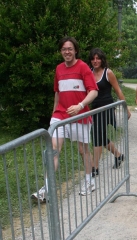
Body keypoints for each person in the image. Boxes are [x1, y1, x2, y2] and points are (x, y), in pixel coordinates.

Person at [31, 36, 98, 201]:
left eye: (70, 49)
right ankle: (47, 189)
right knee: (53, 150)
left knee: (83, 151)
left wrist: (80, 105)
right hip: (60, 116)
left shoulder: (83, 67)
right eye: (64, 49)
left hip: (80, 115)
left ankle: (89, 181)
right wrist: (53, 114)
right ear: (61, 51)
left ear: (75, 50)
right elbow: (57, 93)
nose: (67, 52)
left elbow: (94, 91)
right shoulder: (59, 69)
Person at [88, 48, 131, 177]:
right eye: (93, 59)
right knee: (99, 135)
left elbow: (118, 90)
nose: (95, 61)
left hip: (106, 107)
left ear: (102, 59)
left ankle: (95, 167)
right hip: (94, 107)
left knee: (96, 136)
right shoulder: (89, 73)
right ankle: (118, 155)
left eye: (98, 58)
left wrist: (126, 108)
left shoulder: (108, 73)